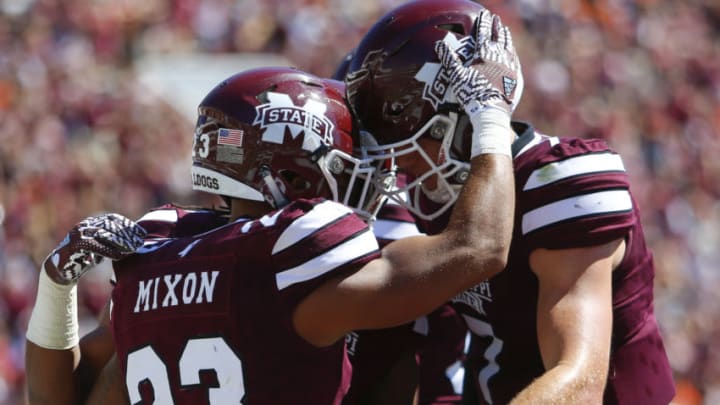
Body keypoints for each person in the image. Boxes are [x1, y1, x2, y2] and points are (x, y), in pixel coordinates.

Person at [25, 65, 516, 403]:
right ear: (294, 177)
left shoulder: (158, 252)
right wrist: (490, 116)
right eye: (347, 168)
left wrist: (55, 286)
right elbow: (479, 248)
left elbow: (58, 397)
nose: (369, 182)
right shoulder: (290, 252)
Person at [343, 0, 676, 403]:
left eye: (408, 136)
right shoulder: (434, 191)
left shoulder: (562, 182)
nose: (397, 160)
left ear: (463, 114)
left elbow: (580, 381)